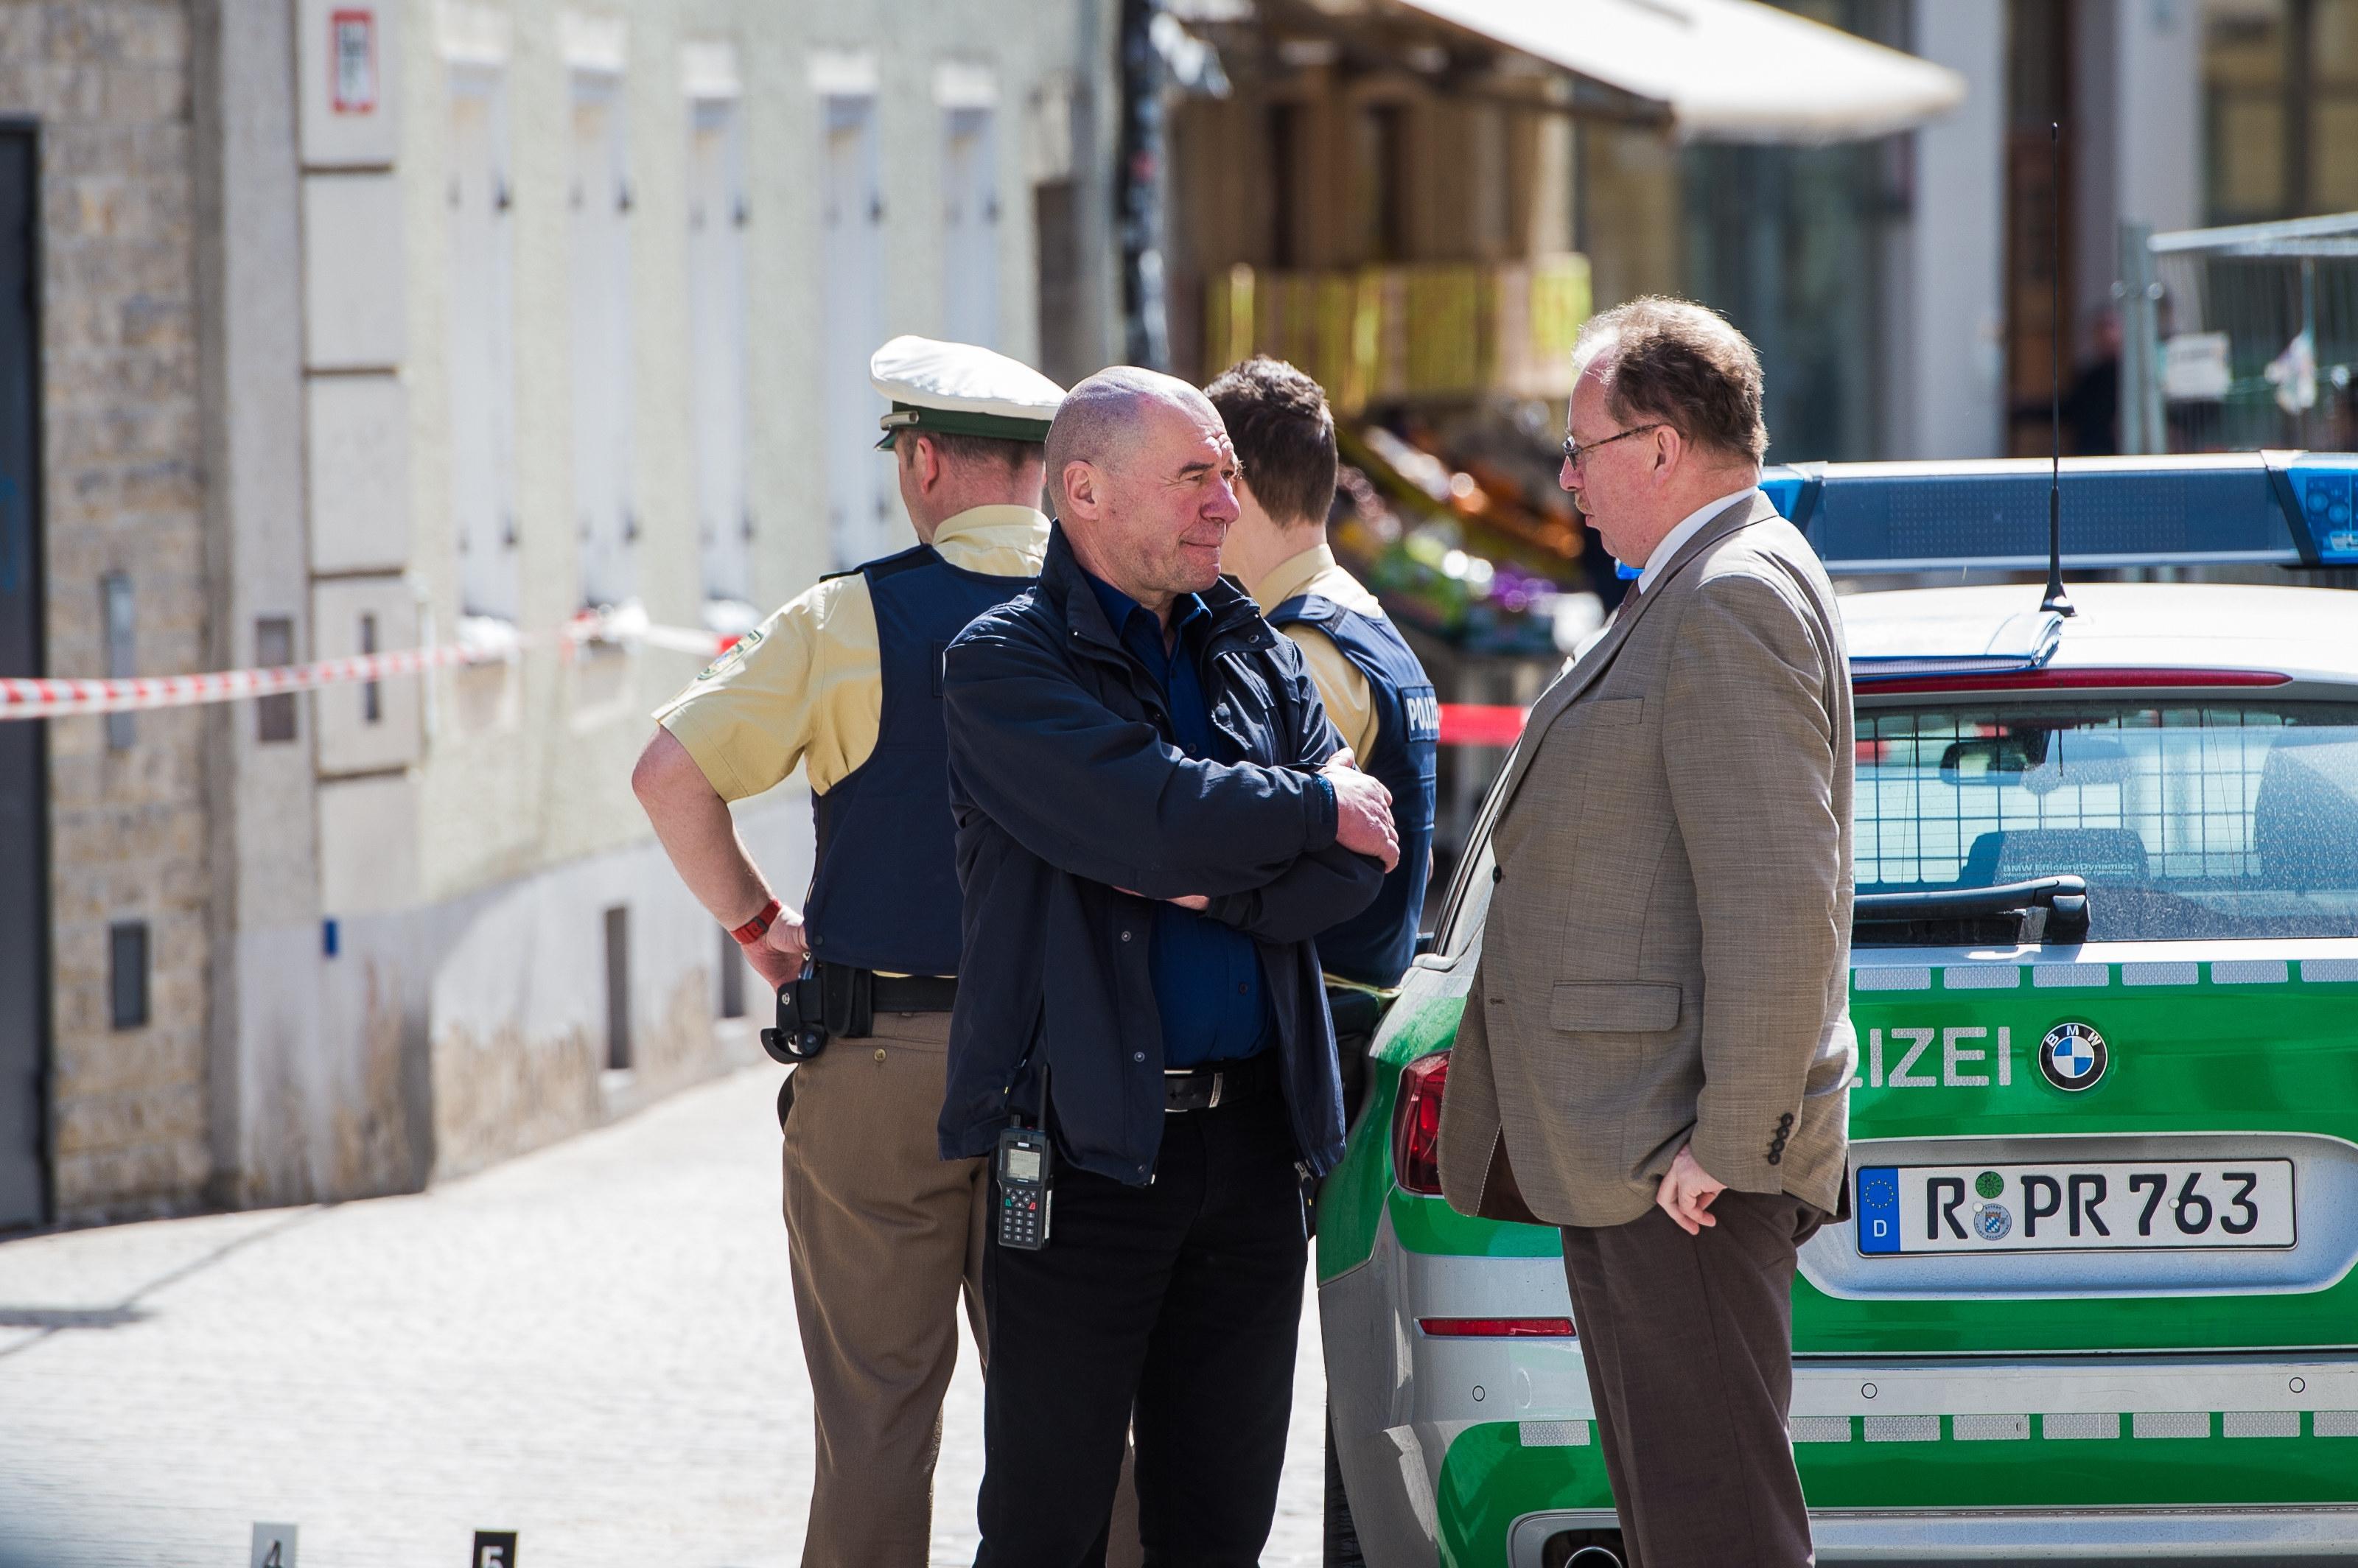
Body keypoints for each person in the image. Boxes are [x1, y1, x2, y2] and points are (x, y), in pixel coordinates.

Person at [938, 366, 1399, 1565]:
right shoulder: (999, 663)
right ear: (1083, 489)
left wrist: (1195, 860)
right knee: (1046, 1522)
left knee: (1220, 1525)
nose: (1225, 501)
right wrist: (1300, 806)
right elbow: (1146, 810)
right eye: (1197, 474)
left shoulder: (1252, 647)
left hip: (1252, 1154)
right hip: (1084, 1153)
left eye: (1230, 475)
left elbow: (1357, 872)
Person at [630, 336, 1062, 1568]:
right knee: (1087, 1416)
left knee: (876, 1415)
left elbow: (668, 774)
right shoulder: (1127, 607)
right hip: (1075, 1065)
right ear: (1041, 472)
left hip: (888, 1062)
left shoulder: (850, 616)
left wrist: (763, 928)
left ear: (924, 461)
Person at [1436, 297, 1854, 1568]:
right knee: (1684, 1517)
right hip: (1645, 1148)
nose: (1565, 483)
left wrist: (1730, 1140)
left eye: (1582, 450)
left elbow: (1782, 899)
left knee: (1718, 1525)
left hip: (1683, 1163)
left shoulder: (1729, 594)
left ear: (1661, 447)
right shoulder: (1702, 580)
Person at [1206, 355, 1438, 1119]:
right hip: (1347, 1020)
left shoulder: (1300, 649)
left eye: (1197, 479)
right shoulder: (1357, 619)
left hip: (1311, 1030)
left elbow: (1251, 853)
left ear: (1232, 488)